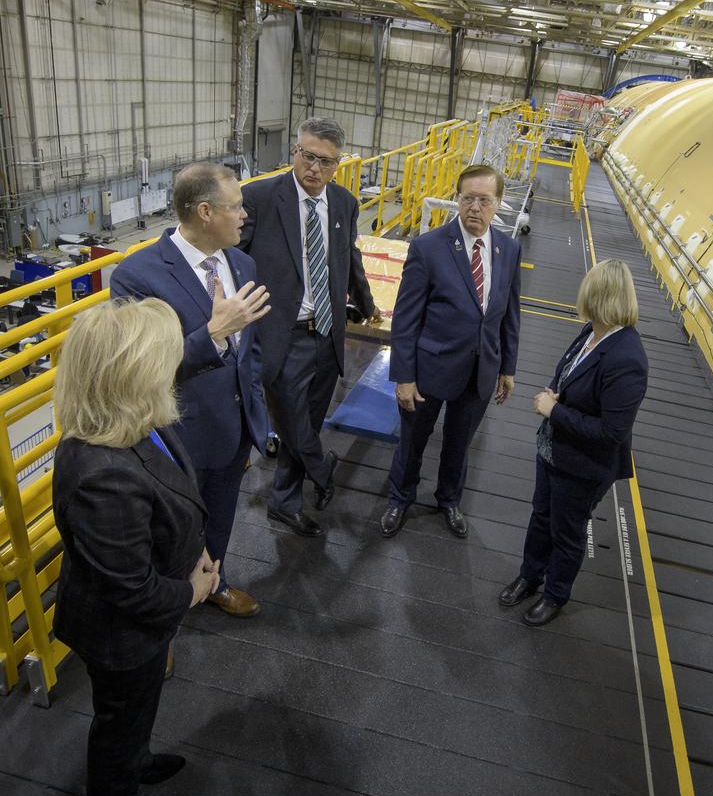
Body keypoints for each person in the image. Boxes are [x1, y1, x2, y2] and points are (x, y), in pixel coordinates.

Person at [52, 298, 223, 796]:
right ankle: (116, 783)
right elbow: (133, 591)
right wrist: (192, 590)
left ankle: (136, 756)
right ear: (130, 377)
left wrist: (196, 551)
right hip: (121, 635)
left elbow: (173, 500)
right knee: (120, 717)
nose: (174, 368)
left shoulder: (136, 421)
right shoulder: (102, 478)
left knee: (138, 708)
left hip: (144, 620)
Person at [111, 162, 271, 618]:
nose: (244, 215)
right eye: (236, 207)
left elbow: (250, 348)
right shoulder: (137, 275)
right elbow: (139, 370)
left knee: (220, 516)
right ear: (205, 211)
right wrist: (213, 333)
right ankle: (162, 618)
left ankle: (214, 581)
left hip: (232, 426)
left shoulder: (241, 262)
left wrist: (254, 410)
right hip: (176, 435)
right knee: (166, 533)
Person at [238, 117, 379, 537]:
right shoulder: (260, 198)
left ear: (339, 164)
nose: (315, 169)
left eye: (327, 162)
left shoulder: (343, 202)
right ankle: (324, 468)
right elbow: (234, 258)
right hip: (280, 334)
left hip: (328, 332)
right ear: (295, 152)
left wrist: (366, 302)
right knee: (292, 424)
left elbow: (348, 256)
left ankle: (284, 501)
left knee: (310, 423)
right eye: (308, 157)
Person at [499, 260, 648, 626]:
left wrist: (554, 411)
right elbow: (569, 371)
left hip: (583, 466)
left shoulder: (628, 359)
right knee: (541, 517)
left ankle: (555, 594)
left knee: (566, 532)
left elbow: (611, 432)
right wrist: (557, 394)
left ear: (597, 296)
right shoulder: (592, 332)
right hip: (553, 450)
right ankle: (530, 576)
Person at [381, 164, 522, 539]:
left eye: (484, 200)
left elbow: (510, 314)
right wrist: (404, 378)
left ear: (498, 203)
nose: (474, 207)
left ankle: (449, 499)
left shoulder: (508, 249)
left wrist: (507, 367)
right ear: (457, 199)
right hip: (429, 371)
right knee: (412, 442)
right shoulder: (428, 248)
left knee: (460, 445)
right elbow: (405, 320)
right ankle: (400, 498)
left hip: (480, 371)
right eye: (468, 198)